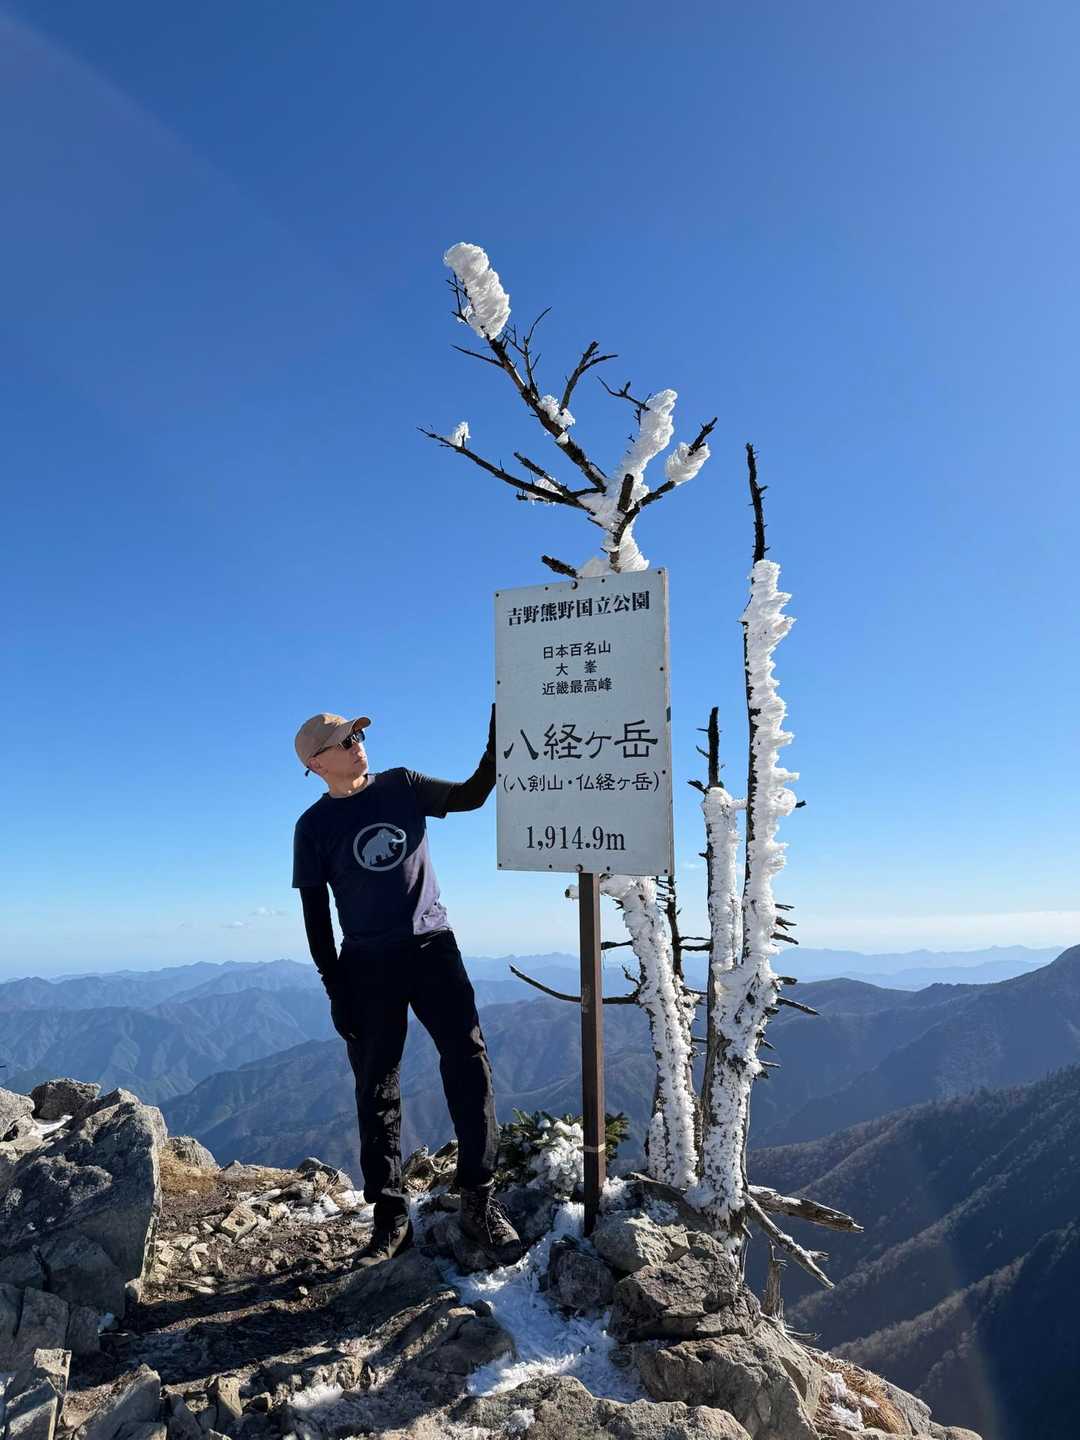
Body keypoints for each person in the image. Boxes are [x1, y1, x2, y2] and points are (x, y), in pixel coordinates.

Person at [291, 705, 522, 1268]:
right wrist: (334, 988)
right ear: (317, 764)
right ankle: (390, 1218)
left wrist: (497, 745)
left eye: (357, 735)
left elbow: (471, 796)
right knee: (376, 1088)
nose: (357, 744)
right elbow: (316, 917)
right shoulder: (312, 826)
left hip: (432, 947)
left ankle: (478, 1197)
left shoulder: (403, 785)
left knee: (469, 1064)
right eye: (344, 741)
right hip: (365, 963)